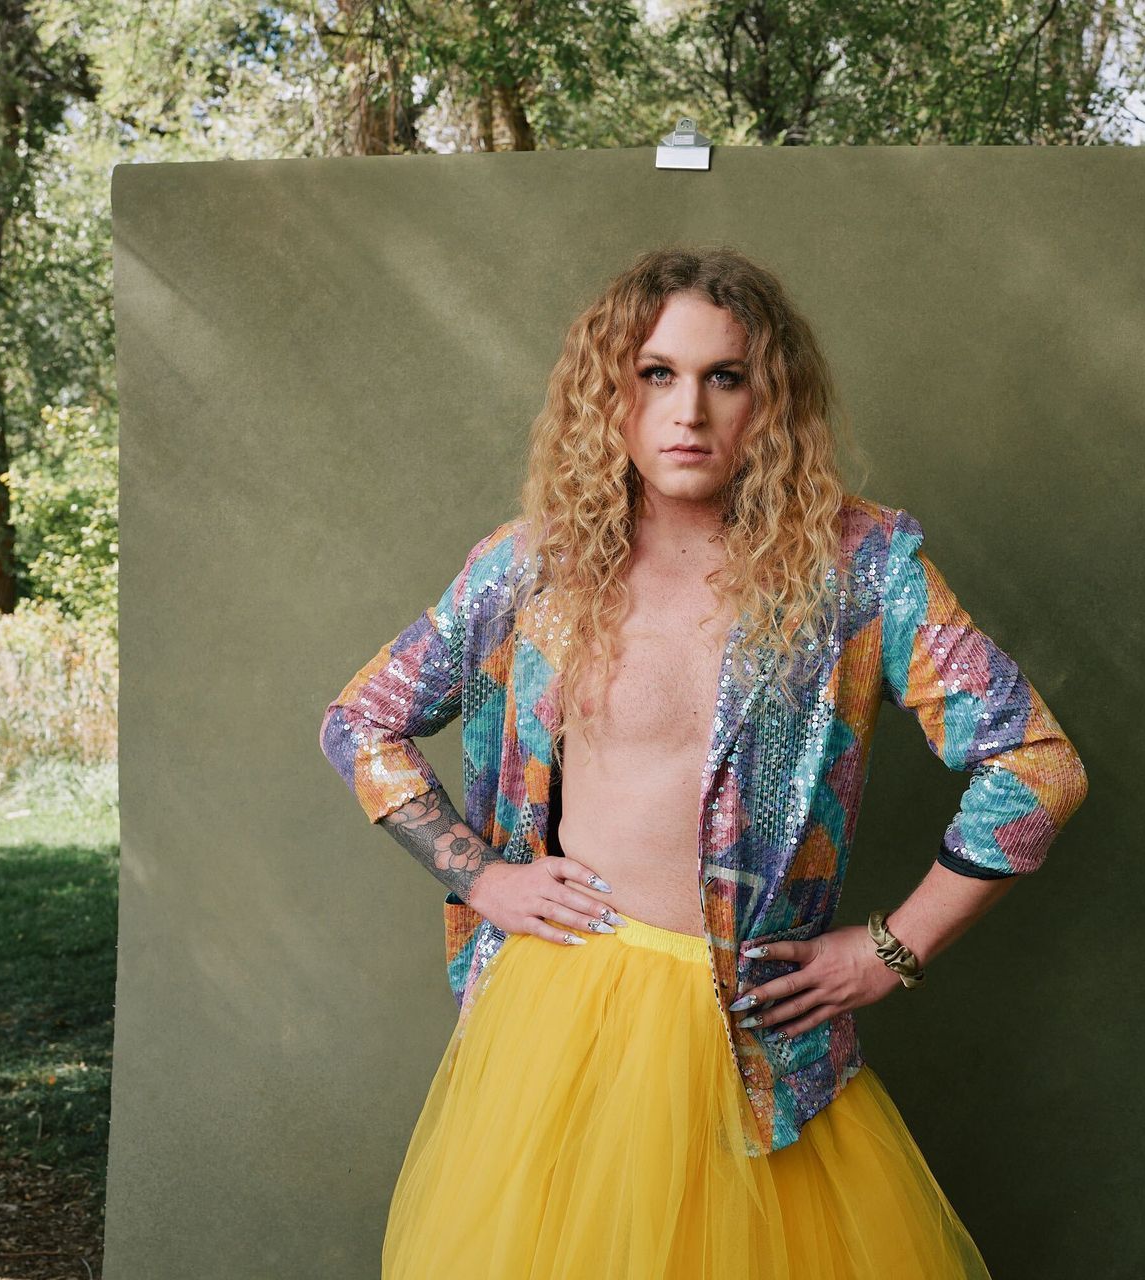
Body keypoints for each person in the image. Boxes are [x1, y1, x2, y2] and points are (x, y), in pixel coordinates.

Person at [320, 244, 1089, 1277]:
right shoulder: (536, 563)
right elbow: (360, 720)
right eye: (656, 374)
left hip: (756, 1038)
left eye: (725, 376)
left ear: (769, 400)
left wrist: (891, 949)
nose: (689, 411)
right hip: (561, 1026)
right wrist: (483, 876)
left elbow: (1039, 766)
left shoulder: (861, 568)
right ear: (612, 394)